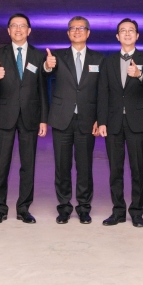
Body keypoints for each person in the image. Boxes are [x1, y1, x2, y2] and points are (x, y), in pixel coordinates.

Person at [0, 13, 49, 224]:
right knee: (1, 164)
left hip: (30, 116)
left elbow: (43, 89)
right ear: (8, 30)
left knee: (28, 164)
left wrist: (43, 118)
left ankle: (23, 208)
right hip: (5, 115)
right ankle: (0, 208)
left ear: (29, 30)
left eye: (22, 26)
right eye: (14, 26)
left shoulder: (38, 56)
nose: (18, 29)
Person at [45, 16, 103, 224]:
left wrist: (100, 118)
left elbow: (102, 92)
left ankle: (84, 207)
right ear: (68, 33)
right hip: (62, 119)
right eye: (73, 28)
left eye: (81, 28)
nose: (77, 31)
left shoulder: (99, 59)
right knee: (62, 165)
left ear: (88, 33)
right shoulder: (57, 57)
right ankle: (64, 206)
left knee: (85, 165)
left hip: (88, 120)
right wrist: (46, 65)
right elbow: (44, 75)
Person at [97, 18, 143, 228]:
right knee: (115, 169)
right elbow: (103, 92)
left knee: (137, 169)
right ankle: (118, 211)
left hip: (137, 122)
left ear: (137, 36)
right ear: (117, 36)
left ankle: (137, 212)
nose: (127, 34)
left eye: (131, 31)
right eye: (123, 31)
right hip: (113, 123)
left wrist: (139, 74)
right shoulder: (108, 62)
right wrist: (101, 121)